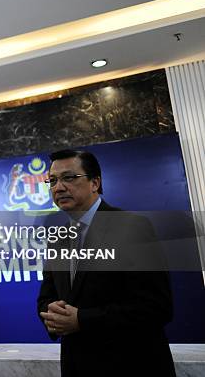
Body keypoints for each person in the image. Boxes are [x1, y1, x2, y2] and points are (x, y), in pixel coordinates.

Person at [37, 149, 175, 377]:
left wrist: (82, 320)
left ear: (95, 182)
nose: (58, 187)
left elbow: (157, 307)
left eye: (69, 178)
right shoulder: (57, 238)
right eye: (52, 181)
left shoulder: (132, 227)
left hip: (131, 367)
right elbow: (46, 297)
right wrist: (51, 315)